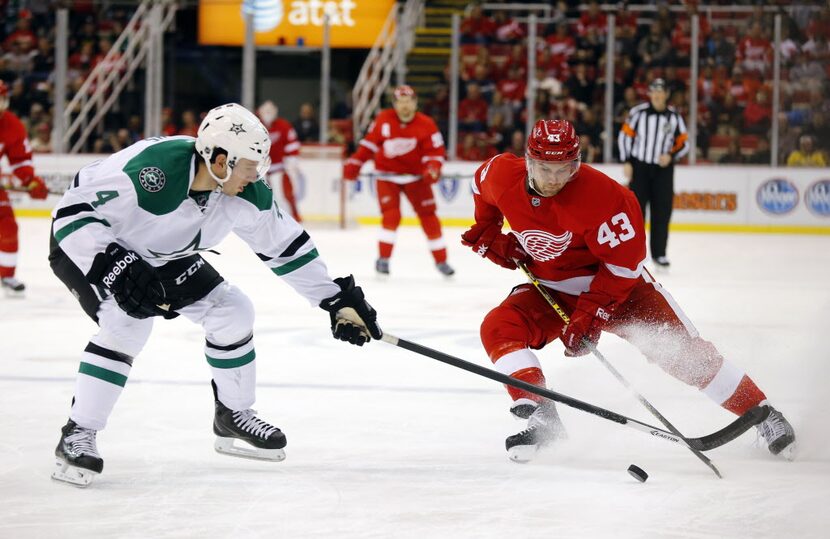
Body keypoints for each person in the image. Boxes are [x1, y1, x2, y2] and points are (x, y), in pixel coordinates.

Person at [48, 103, 382, 487]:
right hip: (91, 248)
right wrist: (112, 265)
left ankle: (232, 415)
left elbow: (285, 247)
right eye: (248, 165)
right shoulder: (152, 170)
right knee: (126, 323)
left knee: (232, 311)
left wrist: (335, 299)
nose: (256, 174)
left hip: (166, 255)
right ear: (219, 160)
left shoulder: (247, 192)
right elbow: (72, 214)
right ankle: (78, 432)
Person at [461, 119, 795, 463]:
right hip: (553, 289)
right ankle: (543, 416)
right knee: (498, 327)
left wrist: (591, 312)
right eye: (546, 168)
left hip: (623, 291)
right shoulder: (501, 174)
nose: (555, 178)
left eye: (565, 169)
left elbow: (623, 266)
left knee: (685, 356)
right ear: (529, 161)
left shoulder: (608, 197)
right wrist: (489, 230)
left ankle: (764, 413)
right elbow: (478, 186)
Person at [343, 85, 454, 277]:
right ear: (394, 104)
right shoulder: (383, 119)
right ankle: (383, 259)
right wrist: (355, 162)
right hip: (387, 177)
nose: (405, 106)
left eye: (408, 102)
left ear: (415, 103)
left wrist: (433, 168)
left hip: (416, 178)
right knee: (391, 216)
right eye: (401, 102)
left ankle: (441, 260)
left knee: (429, 217)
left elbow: (435, 152)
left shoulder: (426, 124)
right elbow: (368, 144)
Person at [618, 78, 689, 269]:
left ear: (666, 94)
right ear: (649, 94)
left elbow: (684, 142)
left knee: (662, 211)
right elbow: (625, 136)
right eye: (654, 91)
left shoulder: (674, 117)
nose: (657, 95)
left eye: (661, 91)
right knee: (636, 212)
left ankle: (659, 254)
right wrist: (627, 160)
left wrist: (671, 156)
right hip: (640, 167)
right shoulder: (638, 113)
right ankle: (634, 254)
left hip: (663, 171)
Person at [0, 79, 49, 295]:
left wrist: (30, 181)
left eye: (1, 100)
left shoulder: (12, 125)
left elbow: (20, 161)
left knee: (8, 226)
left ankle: (7, 275)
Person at [257, 100, 303, 221]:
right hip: (260, 166)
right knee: (262, 192)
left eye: (270, 111)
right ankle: (264, 216)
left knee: (287, 191)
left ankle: (293, 214)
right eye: (265, 111)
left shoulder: (284, 125)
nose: (268, 114)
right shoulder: (254, 126)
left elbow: (292, 144)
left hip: (279, 166)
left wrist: (291, 160)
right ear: (260, 112)